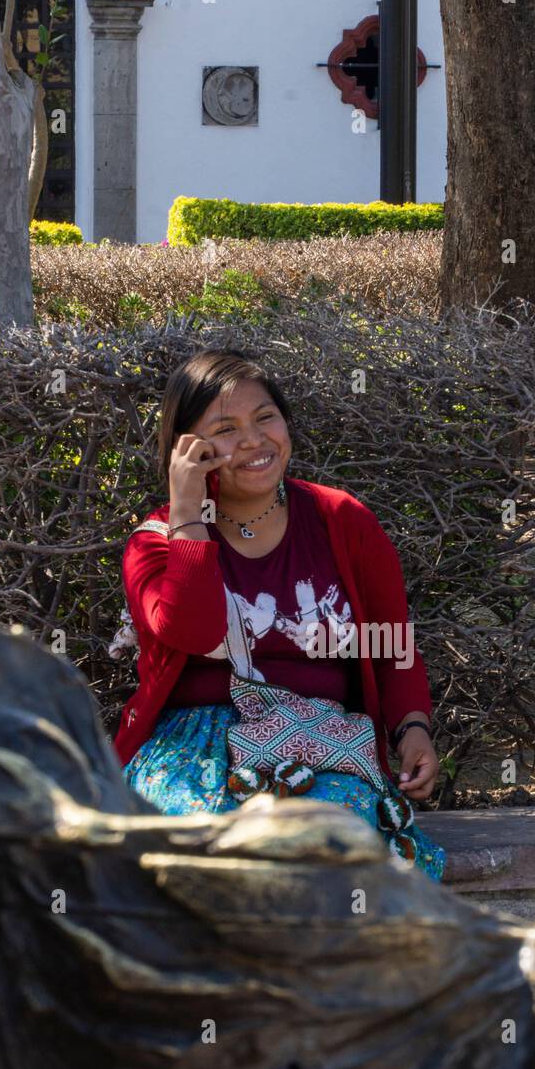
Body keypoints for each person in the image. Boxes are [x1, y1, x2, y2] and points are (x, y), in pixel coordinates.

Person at [112, 348, 446, 881]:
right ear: (186, 449)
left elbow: (391, 647)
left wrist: (412, 730)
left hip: (320, 743)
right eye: (225, 429)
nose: (252, 440)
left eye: (265, 417)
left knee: (334, 845)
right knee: (211, 849)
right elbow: (194, 632)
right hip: (194, 748)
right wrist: (188, 516)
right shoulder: (154, 544)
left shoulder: (343, 521)